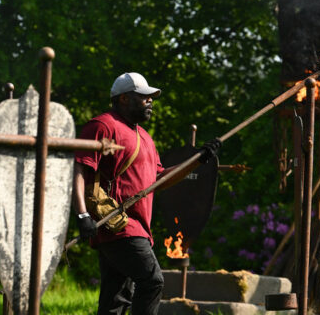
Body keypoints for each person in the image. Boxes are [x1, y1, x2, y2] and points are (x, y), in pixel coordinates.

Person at [72, 72, 220, 315]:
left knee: (115, 301)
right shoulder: (102, 126)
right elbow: (79, 170)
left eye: (151, 97)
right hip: (118, 225)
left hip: (137, 228)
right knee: (152, 281)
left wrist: (198, 160)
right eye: (143, 96)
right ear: (123, 99)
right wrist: (82, 215)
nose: (150, 101)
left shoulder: (146, 138)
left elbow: (160, 179)